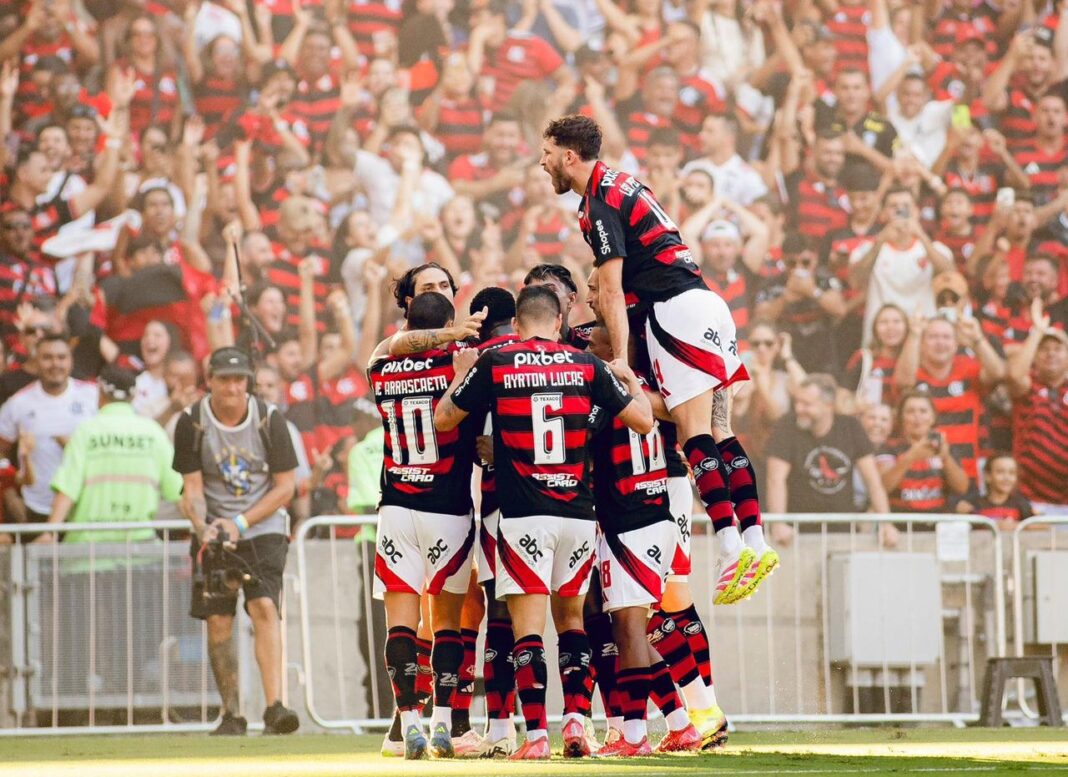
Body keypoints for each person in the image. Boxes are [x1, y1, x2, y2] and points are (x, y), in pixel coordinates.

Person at [540, 113, 777, 606]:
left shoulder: (598, 202)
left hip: (675, 310)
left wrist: (622, 362)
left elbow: (611, 288)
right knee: (720, 428)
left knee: (694, 433)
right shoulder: (626, 182)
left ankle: (729, 545)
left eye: (547, 154)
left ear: (569, 156)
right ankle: (755, 540)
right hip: (709, 303)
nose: (542, 163)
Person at [434, 285, 654, 761]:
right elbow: (642, 422)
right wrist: (630, 381)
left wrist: (460, 376)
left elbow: (444, 419)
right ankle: (575, 719)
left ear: (517, 325)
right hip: (577, 513)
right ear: (558, 323)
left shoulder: (496, 362)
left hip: (524, 515)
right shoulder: (587, 365)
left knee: (527, 630)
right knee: (572, 620)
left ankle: (535, 736)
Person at [586, 324, 722, 756]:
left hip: (629, 518)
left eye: (594, 338)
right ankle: (684, 722)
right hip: (655, 512)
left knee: (630, 627)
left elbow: (581, 444)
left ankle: (634, 735)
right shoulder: (650, 389)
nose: (586, 341)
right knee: (647, 624)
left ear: (617, 346)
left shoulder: (604, 390)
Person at [367, 291, 479, 761]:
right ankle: (441, 723)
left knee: (400, 623)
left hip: (396, 508)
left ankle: (408, 720)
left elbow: (389, 347)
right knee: (447, 621)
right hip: (447, 507)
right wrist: (457, 345)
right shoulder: (456, 368)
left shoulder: (381, 368)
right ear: (447, 324)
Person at [173, 346, 300, 737]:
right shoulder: (192, 422)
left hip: (262, 526)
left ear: (248, 381)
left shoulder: (269, 419)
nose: (232, 387)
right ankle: (230, 711)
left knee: (264, 606)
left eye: (239, 379)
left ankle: (274, 706)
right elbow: (192, 488)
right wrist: (203, 526)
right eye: (225, 379)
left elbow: (286, 487)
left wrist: (240, 522)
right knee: (218, 618)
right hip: (215, 528)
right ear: (209, 380)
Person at [38, 366, 182, 544]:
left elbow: (67, 489)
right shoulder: (153, 433)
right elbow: (179, 491)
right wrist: (200, 527)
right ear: (134, 396)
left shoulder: (86, 432)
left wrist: (50, 532)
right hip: (139, 547)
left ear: (100, 393)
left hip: (87, 548)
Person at [765, 374, 891, 544]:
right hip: (798, 532)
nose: (798, 409)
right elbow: (775, 480)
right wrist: (778, 523)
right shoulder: (786, 426)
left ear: (828, 405)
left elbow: (872, 481)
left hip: (844, 530)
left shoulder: (850, 427)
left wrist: (886, 524)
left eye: (807, 404)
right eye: (797, 402)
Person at [0, 333, 97, 538]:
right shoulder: (19, 403)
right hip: (36, 508)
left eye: (61, 357)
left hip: (84, 506)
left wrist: (73, 447)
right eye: (47, 357)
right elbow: (1, 451)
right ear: (36, 361)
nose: (55, 364)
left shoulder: (92, 395)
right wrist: (9, 494)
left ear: (71, 360)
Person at [1006, 306, 1068, 512]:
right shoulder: (1028, 386)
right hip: (1030, 499)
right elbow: (1015, 375)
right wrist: (1037, 332)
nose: (1051, 354)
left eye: (1058, 349)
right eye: (1044, 349)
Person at [876, 390, 969, 514]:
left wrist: (946, 458)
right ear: (901, 417)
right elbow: (883, 487)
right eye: (910, 411)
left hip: (937, 521)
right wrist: (911, 457)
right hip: (900, 521)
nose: (917, 417)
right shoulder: (888, 448)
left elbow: (962, 488)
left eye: (923, 411)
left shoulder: (945, 447)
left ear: (933, 417)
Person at [956, 452, 1035, 525]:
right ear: (987, 476)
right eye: (1000, 472)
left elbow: (1038, 524)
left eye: (1012, 473)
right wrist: (962, 515)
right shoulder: (973, 505)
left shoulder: (1022, 504)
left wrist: (1014, 526)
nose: (1006, 478)